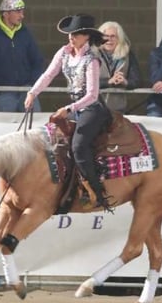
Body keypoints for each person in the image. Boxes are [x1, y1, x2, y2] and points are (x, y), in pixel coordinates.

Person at [25, 14, 114, 211]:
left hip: (91, 109)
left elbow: (92, 95)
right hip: (75, 107)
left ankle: (97, 193)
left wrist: (68, 109)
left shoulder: (92, 59)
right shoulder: (64, 52)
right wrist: (33, 92)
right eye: (70, 34)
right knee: (55, 142)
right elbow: (48, 74)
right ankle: (69, 187)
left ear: (86, 37)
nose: (70, 38)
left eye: (75, 34)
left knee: (79, 146)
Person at [0, 0, 45, 112]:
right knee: (4, 127)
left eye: (22, 12)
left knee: (33, 126)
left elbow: (38, 60)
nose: (22, 16)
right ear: (6, 13)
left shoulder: (25, 34)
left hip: (26, 91)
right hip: (3, 93)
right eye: (18, 12)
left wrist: (33, 85)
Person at [97, 21, 142, 113]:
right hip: (95, 108)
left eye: (113, 36)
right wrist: (109, 81)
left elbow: (137, 81)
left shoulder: (127, 55)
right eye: (105, 36)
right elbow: (85, 82)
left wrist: (125, 82)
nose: (109, 40)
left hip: (118, 109)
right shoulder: (91, 55)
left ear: (119, 39)